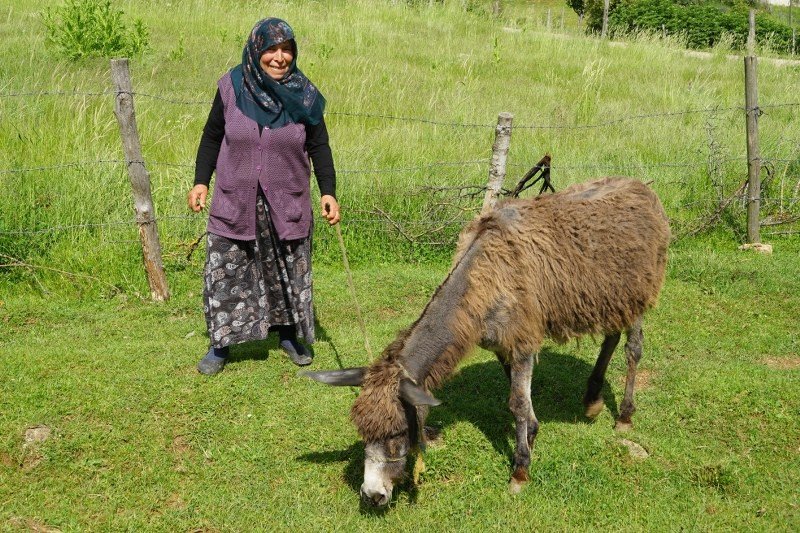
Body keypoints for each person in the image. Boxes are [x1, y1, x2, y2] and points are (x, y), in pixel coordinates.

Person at [188, 18, 340, 375]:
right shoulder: (231, 87)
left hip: (286, 201)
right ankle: (221, 345)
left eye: (286, 48)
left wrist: (329, 191)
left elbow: (319, 146)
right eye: (271, 48)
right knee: (226, 272)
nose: (279, 57)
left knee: (285, 270)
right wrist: (200, 182)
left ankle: (287, 335)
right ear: (256, 50)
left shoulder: (304, 95)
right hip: (234, 200)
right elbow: (212, 136)